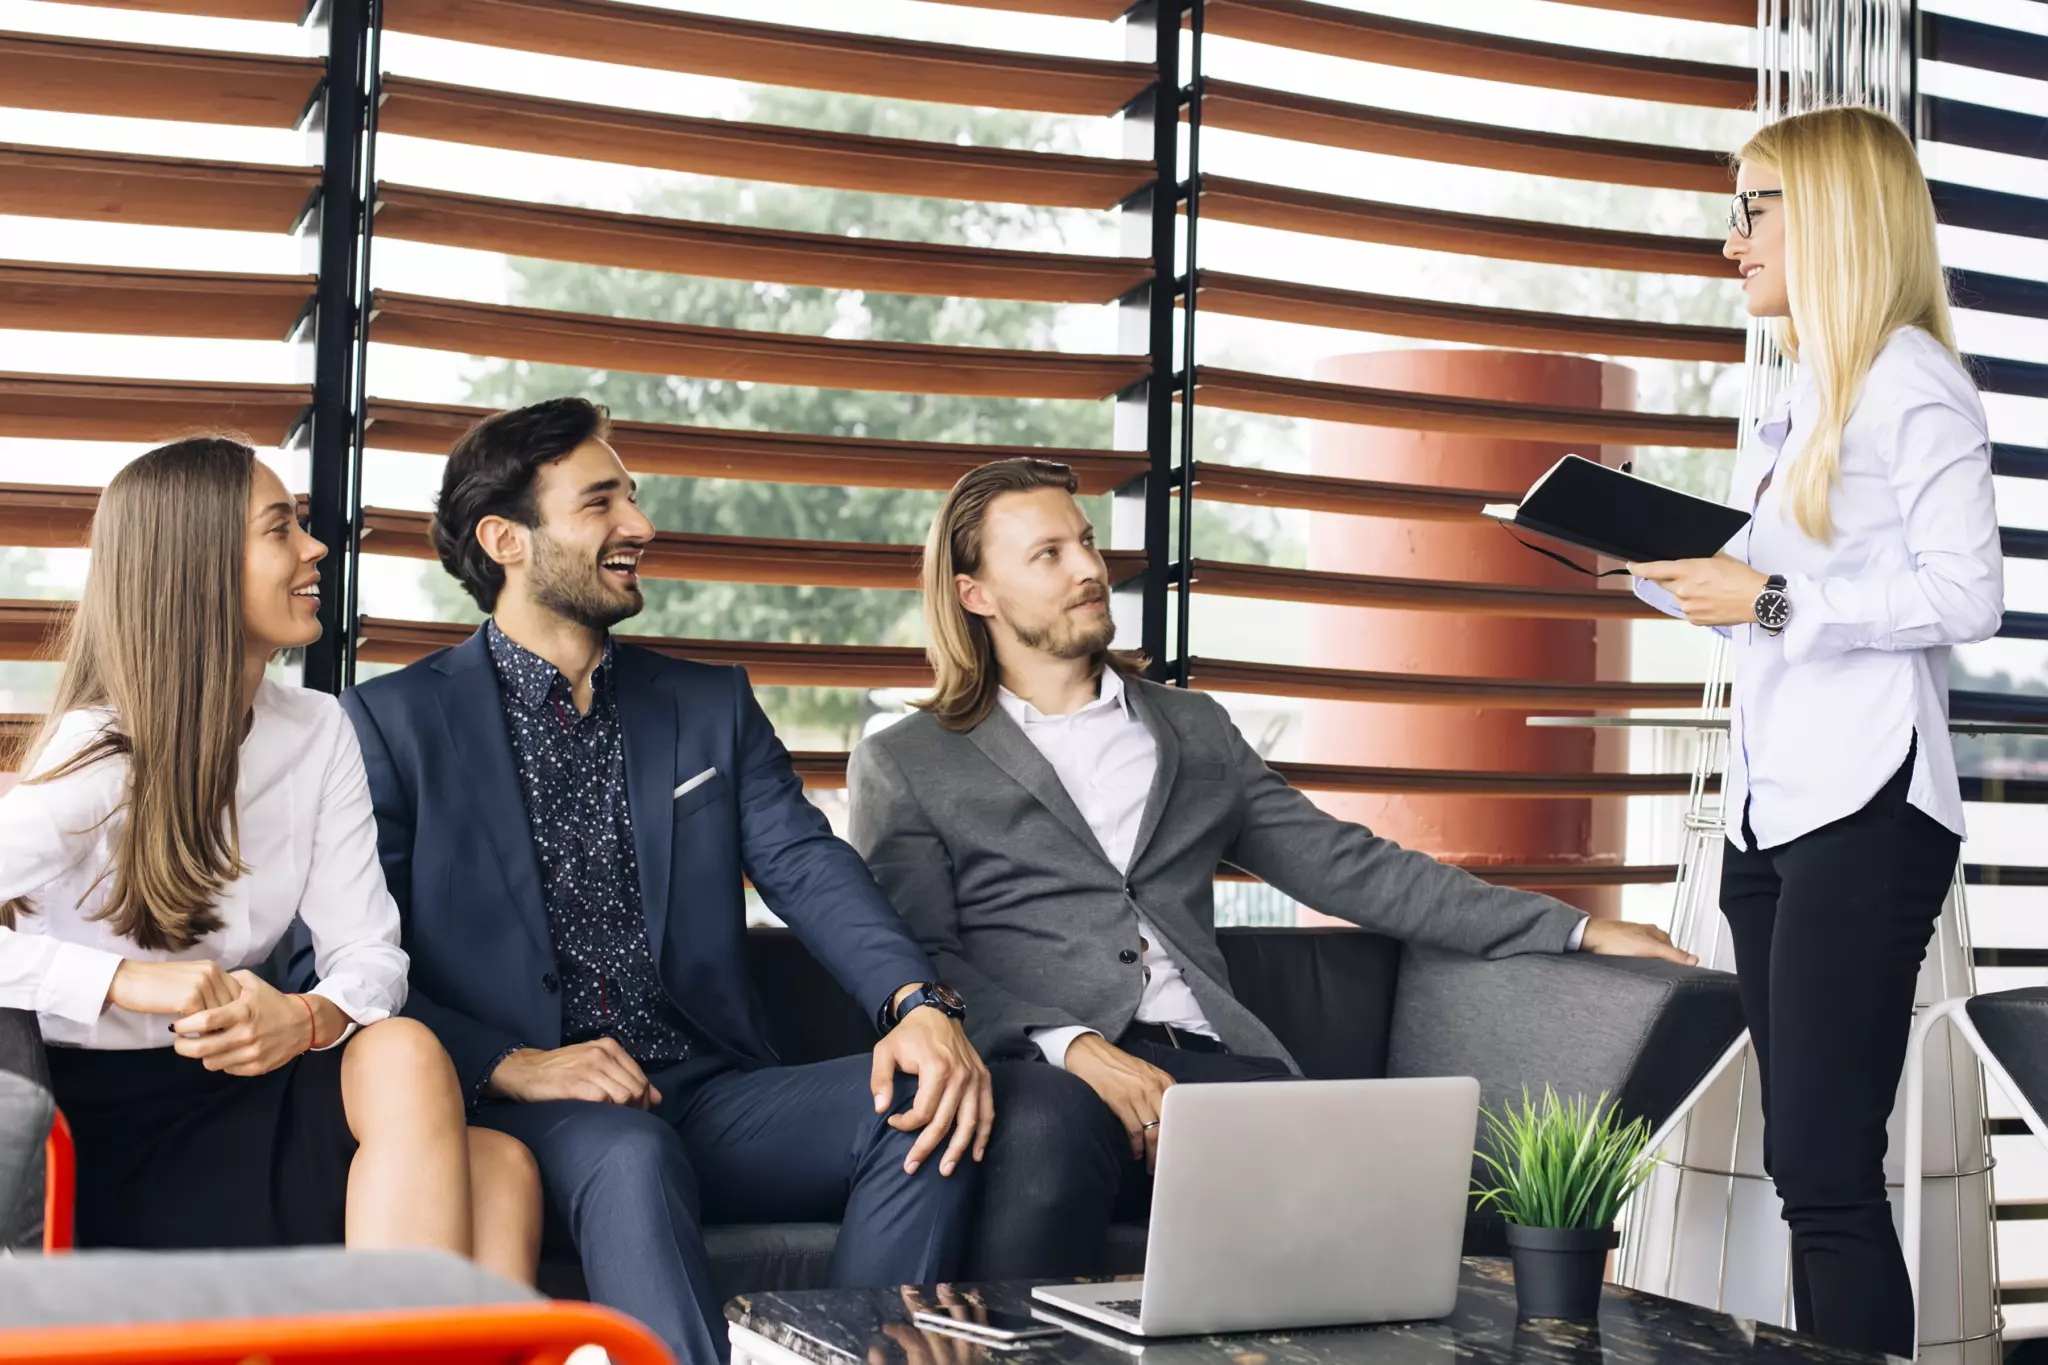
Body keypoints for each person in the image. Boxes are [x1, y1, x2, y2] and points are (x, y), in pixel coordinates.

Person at [847, 456, 1694, 1277]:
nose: (1090, 569)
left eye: (1088, 542)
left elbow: (1348, 865)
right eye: (1049, 554)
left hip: (1215, 1067)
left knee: (1388, 1187)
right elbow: (921, 960)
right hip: (1050, 1073)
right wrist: (1073, 1046)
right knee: (1047, 1136)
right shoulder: (911, 761)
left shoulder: (1192, 728)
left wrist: (1574, 928)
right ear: (976, 594)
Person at [324, 398, 993, 1365]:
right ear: (506, 540)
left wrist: (913, 1001)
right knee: (631, 1155)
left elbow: (806, 862)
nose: (639, 523)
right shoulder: (389, 724)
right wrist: (511, 1062)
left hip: (708, 1091)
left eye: (632, 497)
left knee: (929, 1094)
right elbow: (345, 959)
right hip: (527, 1109)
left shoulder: (708, 702)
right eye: (601, 502)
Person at [1628, 106, 2002, 1358]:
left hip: (1864, 810)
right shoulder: (1804, 395)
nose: (1729, 240)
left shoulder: (1911, 383)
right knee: (1804, 1167)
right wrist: (1651, 559)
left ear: (1832, 216)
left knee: (1825, 1168)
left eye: (1752, 209)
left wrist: (1772, 598)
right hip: (1771, 814)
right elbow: (1763, 591)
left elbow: (1966, 597)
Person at [0, 437, 539, 1281]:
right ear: (199, 566)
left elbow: (369, 954)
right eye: (279, 528)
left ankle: (393, 1341)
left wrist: (305, 1017)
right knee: (483, 1155)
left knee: (488, 1149)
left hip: (243, 1084)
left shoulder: (318, 730)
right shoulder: (101, 753)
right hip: (112, 1122)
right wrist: (120, 981)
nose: (315, 547)